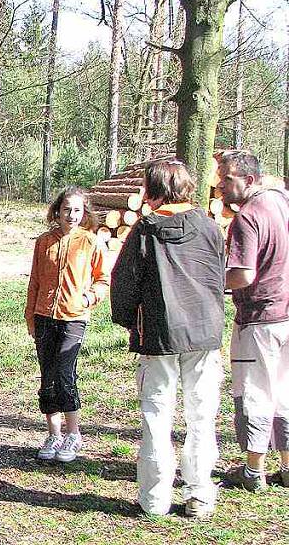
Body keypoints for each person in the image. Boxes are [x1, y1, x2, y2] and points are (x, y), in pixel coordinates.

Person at [111, 160, 225, 519]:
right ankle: (200, 495)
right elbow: (218, 275)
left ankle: (155, 499)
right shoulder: (209, 226)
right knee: (201, 415)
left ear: (152, 189)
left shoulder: (146, 229)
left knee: (157, 415)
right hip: (204, 332)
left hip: (159, 334)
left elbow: (124, 280)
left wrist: (128, 321)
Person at [217, 151, 289, 492]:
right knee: (285, 391)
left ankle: (253, 469)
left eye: (226, 179)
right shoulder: (282, 203)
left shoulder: (248, 216)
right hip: (286, 314)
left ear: (248, 179)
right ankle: (287, 466)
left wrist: (210, 281)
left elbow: (243, 275)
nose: (220, 185)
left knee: (254, 393)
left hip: (259, 318)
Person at [24, 186, 109, 463]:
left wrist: (88, 297)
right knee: (47, 377)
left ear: (84, 213)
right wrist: (30, 316)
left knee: (64, 373)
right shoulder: (44, 242)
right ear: (57, 211)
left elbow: (102, 280)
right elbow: (35, 281)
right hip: (44, 315)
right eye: (66, 210)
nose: (71, 215)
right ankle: (53, 433)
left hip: (74, 317)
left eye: (77, 210)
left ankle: (73, 434)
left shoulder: (91, 242)